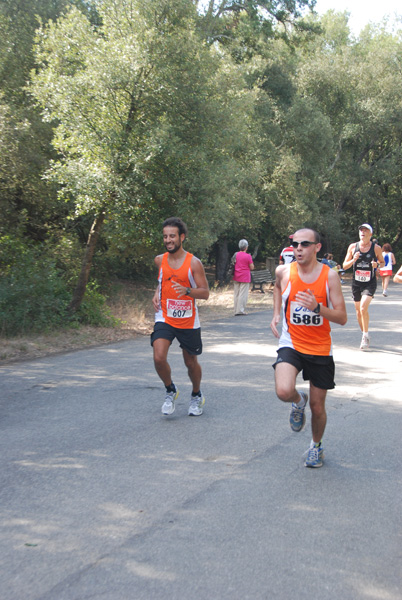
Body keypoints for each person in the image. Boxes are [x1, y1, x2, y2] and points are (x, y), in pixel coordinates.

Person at [270, 228, 347, 468]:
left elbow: (342, 317)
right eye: (295, 244)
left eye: (305, 244)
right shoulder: (284, 271)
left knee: (318, 406)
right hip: (291, 342)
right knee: (283, 391)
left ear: (317, 247)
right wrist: (275, 315)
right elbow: (277, 288)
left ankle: (316, 446)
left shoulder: (329, 276)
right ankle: (297, 400)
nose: (299, 248)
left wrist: (318, 309)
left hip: (320, 347)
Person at [151, 217, 209, 417]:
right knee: (159, 357)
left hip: (187, 319)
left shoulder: (194, 263)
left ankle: (196, 395)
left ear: (182, 237)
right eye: (165, 236)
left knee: (190, 362)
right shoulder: (159, 260)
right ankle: (170, 390)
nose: (168, 240)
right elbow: (161, 280)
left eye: (172, 236)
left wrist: (187, 290)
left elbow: (205, 293)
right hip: (165, 316)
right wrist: (157, 292)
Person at [342, 224, 384, 350]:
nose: (362, 232)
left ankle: (365, 336)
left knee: (362, 307)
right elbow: (344, 266)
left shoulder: (376, 248)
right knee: (358, 312)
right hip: (356, 282)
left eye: (365, 231)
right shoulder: (352, 247)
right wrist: (353, 260)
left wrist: (377, 264)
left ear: (370, 234)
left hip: (369, 282)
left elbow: (383, 263)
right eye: (361, 230)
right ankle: (364, 333)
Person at [232, 239, 254, 315]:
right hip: (245, 276)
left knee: (236, 294)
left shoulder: (236, 254)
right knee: (242, 294)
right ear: (246, 247)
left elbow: (233, 263)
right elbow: (251, 267)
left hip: (236, 275)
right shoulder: (248, 256)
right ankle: (240, 310)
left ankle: (235, 309)